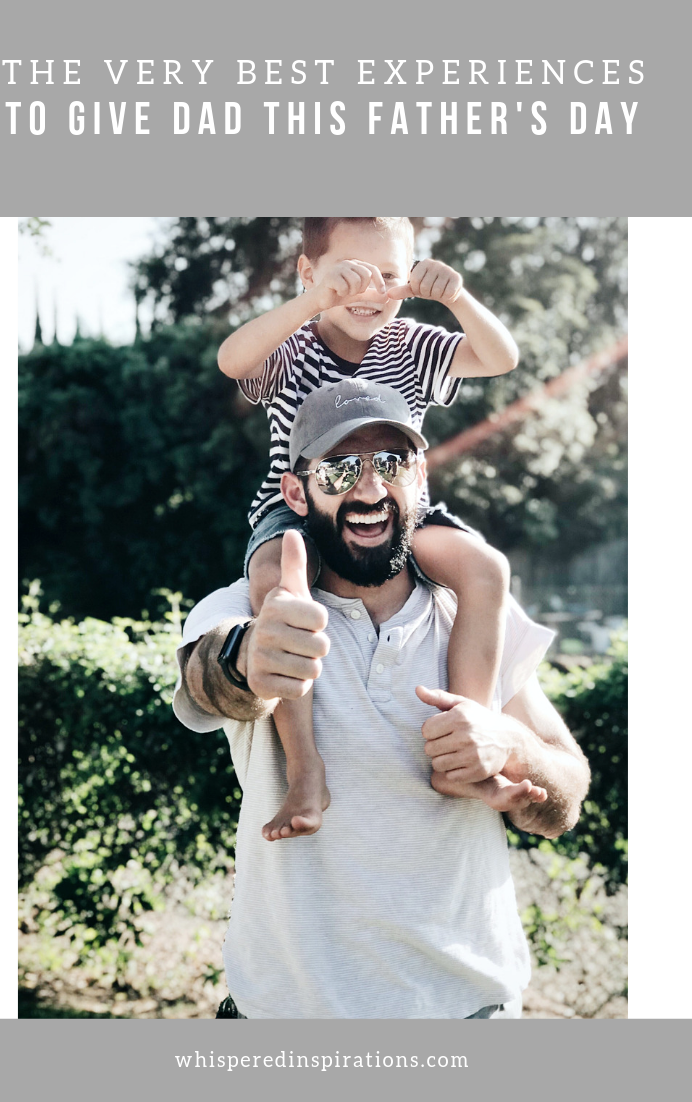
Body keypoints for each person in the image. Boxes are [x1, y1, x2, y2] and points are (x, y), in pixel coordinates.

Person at [173, 382, 590, 1020]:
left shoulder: (474, 617)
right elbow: (208, 681)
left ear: (420, 479)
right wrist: (248, 659)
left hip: (470, 1018)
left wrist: (512, 749)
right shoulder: (253, 608)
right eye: (340, 469)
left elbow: (567, 793)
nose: (368, 489)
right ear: (296, 492)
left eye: (390, 464)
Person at [217, 216, 530, 842]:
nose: (368, 290)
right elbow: (232, 360)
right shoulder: (292, 345)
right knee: (277, 576)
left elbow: (502, 357)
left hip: (399, 512)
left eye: (388, 275)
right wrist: (314, 302)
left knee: (485, 568)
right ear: (308, 272)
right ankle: (305, 768)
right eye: (347, 274)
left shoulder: (413, 343)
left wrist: (456, 296)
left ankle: (463, 740)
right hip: (301, 509)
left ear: (410, 278)